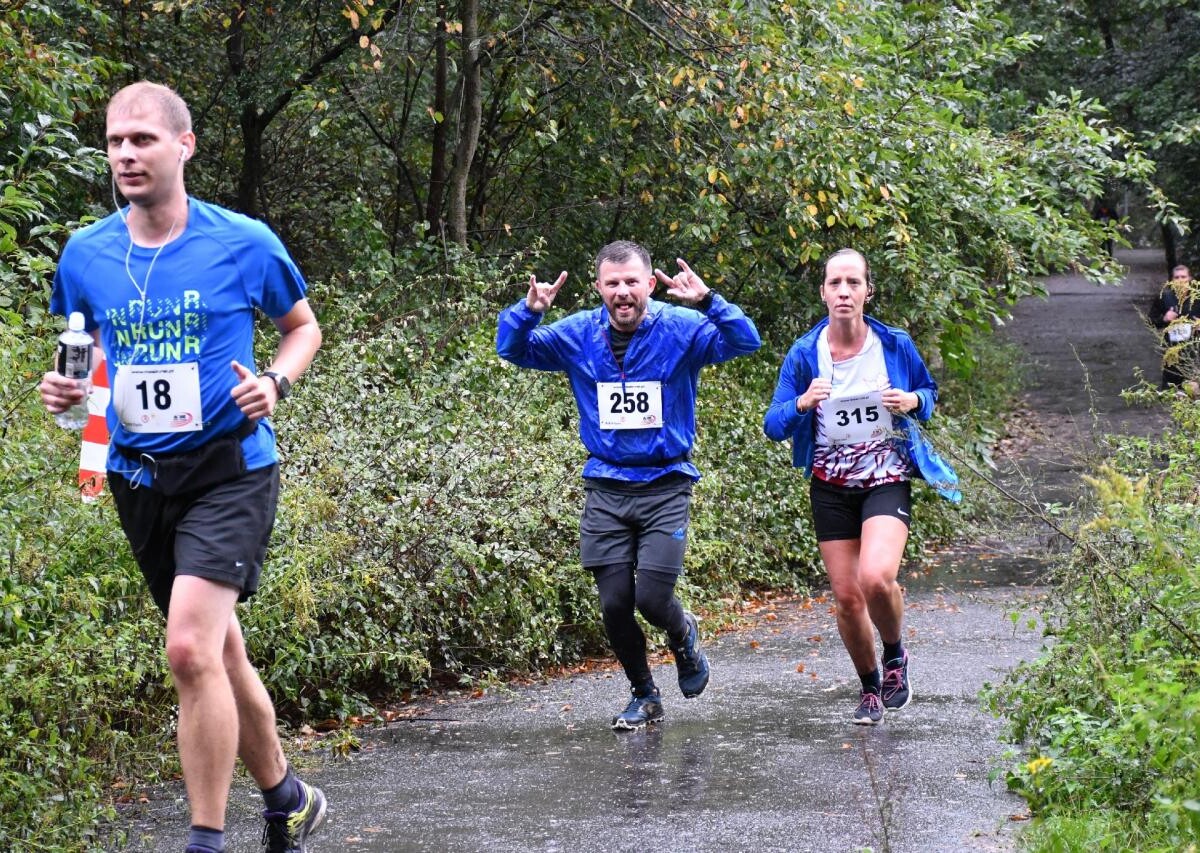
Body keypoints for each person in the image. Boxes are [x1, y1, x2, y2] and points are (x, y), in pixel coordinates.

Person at [38, 82, 325, 853]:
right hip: (139, 477)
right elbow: (87, 363)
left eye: (142, 140)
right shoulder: (86, 253)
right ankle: (288, 797)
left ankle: (204, 839)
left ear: (184, 146)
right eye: (114, 142)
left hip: (230, 468)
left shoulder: (243, 241)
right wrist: (65, 393)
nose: (126, 155)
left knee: (189, 649)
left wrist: (276, 382)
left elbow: (303, 327)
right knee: (220, 650)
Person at [496, 240, 761, 730]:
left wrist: (708, 302)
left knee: (652, 601)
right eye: (612, 283)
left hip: (666, 483)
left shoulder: (679, 329)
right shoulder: (578, 334)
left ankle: (684, 637)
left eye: (631, 282)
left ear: (648, 284)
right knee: (615, 604)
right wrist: (527, 312)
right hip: (607, 485)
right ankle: (644, 694)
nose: (623, 292)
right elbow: (513, 350)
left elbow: (746, 341)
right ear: (598, 287)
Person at [762, 248, 959, 726]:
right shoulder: (805, 354)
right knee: (848, 598)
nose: (844, 291)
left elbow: (929, 395)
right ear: (824, 292)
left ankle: (895, 656)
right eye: (835, 283)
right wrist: (803, 403)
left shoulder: (893, 345)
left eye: (853, 282)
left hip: (885, 478)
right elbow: (773, 423)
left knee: (875, 579)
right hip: (830, 486)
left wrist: (912, 399)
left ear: (868, 291)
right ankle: (870, 686)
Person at [1152, 264, 1197, 389]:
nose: (1180, 280)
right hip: (1172, 352)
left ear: (1190, 279)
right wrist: (1165, 319)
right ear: (1172, 280)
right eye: (1177, 277)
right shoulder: (1164, 297)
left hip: (1194, 352)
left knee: (1193, 390)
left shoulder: (1197, 298)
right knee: (1172, 390)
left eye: (1184, 277)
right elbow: (1151, 321)